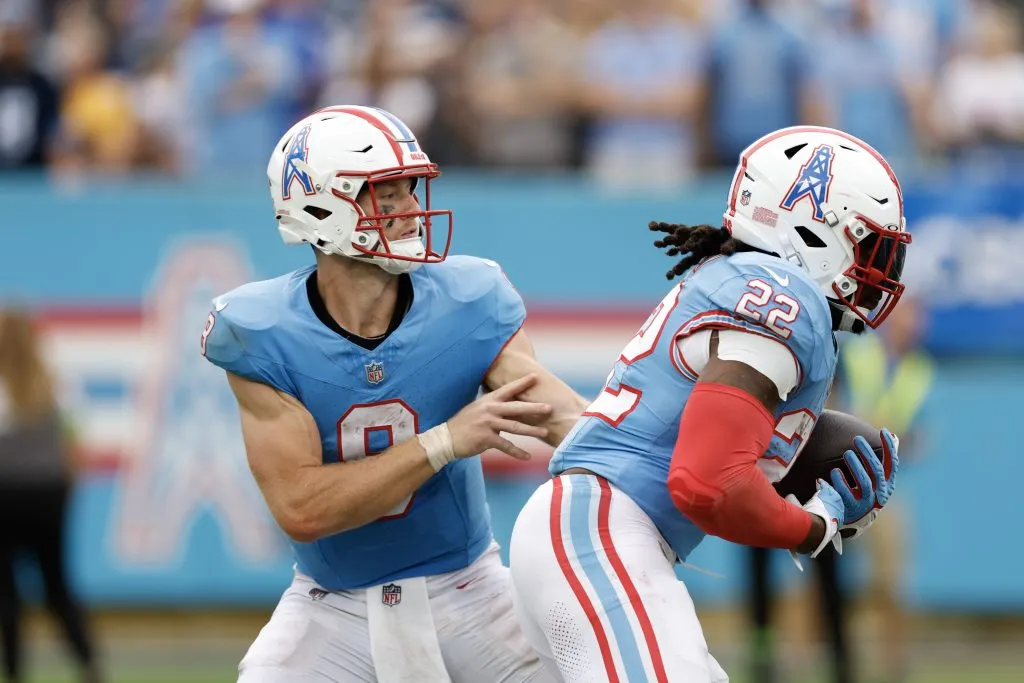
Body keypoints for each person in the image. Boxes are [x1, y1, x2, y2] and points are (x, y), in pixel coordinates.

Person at [200, 104, 587, 682]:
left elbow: (564, 417)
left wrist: (669, 457)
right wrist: (445, 442)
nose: (412, 211)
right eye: (387, 195)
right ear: (320, 206)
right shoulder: (262, 331)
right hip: (334, 605)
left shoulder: (470, 298)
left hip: (471, 589)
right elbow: (302, 508)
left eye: (411, 190)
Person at [508, 126, 908, 682]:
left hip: (590, 528)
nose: (881, 269)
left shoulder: (743, 280)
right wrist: (813, 526)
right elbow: (706, 483)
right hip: (604, 532)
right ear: (817, 229)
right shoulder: (784, 298)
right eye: (870, 245)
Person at [0, 309, 101, 683]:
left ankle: (13, 672)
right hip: (48, 494)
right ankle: (89, 665)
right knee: (57, 586)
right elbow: (74, 447)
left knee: (6, 592)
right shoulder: (56, 383)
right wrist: (64, 491)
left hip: (5, 493)